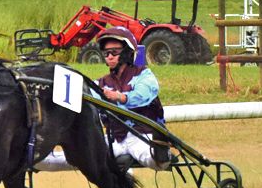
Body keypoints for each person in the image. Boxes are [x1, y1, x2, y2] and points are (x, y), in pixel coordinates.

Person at [35, 27, 167, 171]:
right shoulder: (100, 84)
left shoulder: (144, 75)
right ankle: (33, 159)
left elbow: (144, 95)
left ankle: (160, 153)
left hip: (143, 137)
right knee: (52, 161)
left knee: (151, 159)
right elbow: (84, 99)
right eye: (106, 53)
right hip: (114, 141)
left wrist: (120, 97)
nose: (109, 56)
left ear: (128, 52)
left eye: (114, 52)